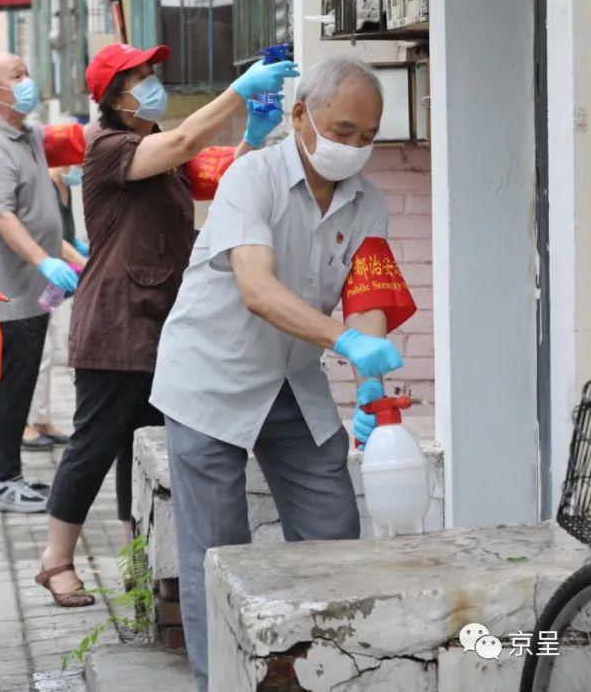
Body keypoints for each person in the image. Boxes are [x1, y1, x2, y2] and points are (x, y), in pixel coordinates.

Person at [149, 56, 404, 691]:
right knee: (220, 554)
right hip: (211, 380)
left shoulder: (366, 201)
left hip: (292, 381)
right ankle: (225, 681)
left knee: (333, 532)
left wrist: (369, 380)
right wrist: (345, 342)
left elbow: (367, 292)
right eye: (343, 130)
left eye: (368, 137)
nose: (354, 148)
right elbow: (257, 289)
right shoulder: (250, 180)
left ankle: (328, 671)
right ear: (299, 115)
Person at [35, 42, 298, 607]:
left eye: (155, 74)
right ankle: (55, 561)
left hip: (161, 325)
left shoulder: (155, 150)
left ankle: (140, 560)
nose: (154, 84)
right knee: (95, 443)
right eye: (142, 78)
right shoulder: (107, 146)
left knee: (148, 448)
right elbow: (183, 140)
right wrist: (239, 90)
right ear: (114, 96)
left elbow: (220, 182)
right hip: (114, 323)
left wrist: (253, 136)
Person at [0, 51, 83, 512]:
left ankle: (6, 477)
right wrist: (42, 261)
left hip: (35, 290)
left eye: (26, 71)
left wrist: (67, 256)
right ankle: (2, 481)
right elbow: (3, 218)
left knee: (22, 385)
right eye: (18, 75)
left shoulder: (26, 134)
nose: (28, 80)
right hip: (11, 295)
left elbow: (39, 211)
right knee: (11, 391)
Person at [22, 165, 88, 451]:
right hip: (36, 277)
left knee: (48, 354)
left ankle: (42, 418)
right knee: (35, 353)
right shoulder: (44, 187)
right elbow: (51, 239)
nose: (78, 166)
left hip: (56, 285)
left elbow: (67, 235)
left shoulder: (66, 188)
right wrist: (86, 264)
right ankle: (23, 423)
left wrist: (82, 249)